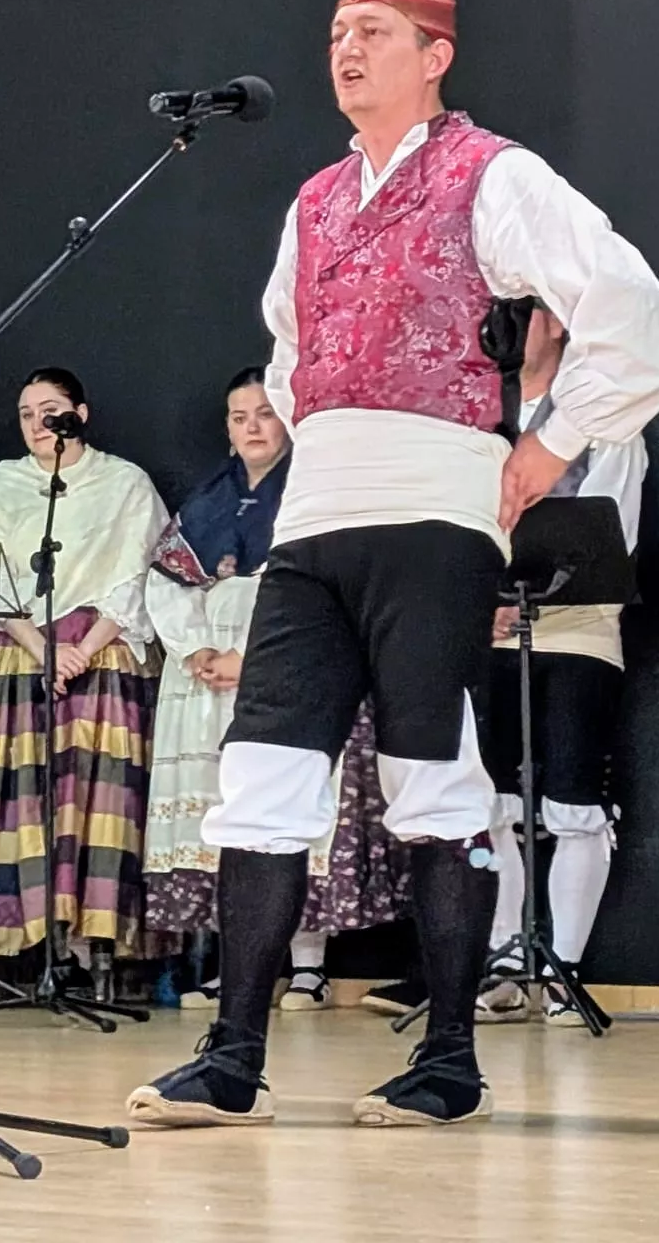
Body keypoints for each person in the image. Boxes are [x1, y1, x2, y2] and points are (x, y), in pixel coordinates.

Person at [129, 0, 659, 1129]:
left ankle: (449, 1063)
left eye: (373, 30)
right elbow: (287, 348)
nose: (345, 48)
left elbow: (628, 304)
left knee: (433, 778)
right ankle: (231, 1059)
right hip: (318, 516)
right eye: (335, 30)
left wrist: (552, 442)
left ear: (436, 54)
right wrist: (325, 419)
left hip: (436, 504)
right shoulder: (315, 201)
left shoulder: (496, 175)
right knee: (263, 773)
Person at [144, 368, 410, 1012]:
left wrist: (252, 655)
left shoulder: (311, 497)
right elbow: (165, 582)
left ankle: (310, 965)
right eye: (239, 418)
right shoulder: (208, 501)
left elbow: (321, 589)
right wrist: (199, 649)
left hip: (287, 657)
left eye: (264, 414)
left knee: (291, 801)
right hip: (207, 675)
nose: (252, 427)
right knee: (221, 807)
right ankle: (234, 965)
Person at [0, 368, 167, 980]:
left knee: (94, 800)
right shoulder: (7, 481)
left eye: (48, 410)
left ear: (79, 413)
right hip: (23, 651)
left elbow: (140, 570)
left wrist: (85, 644)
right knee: (29, 801)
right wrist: (42, 647)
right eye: (25, 414)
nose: (36, 424)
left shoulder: (124, 482)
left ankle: (95, 941)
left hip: (102, 654)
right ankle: (31, 941)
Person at [478, 303, 649, 1025]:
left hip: (578, 630)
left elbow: (614, 530)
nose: (523, 328)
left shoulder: (607, 418)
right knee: (494, 805)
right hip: (492, 632)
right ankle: (506, 954)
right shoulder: (480, 416)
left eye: (538, 313)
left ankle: (564, 965)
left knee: (575, 801)